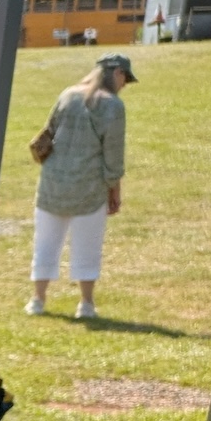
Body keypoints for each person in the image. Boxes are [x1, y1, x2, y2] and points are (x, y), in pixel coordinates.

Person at [30, 53, 133, 321]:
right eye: (125, 79)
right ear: (118, 74)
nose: (124, 85)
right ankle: (85, 304)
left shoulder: (68, 95)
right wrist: (115, 191)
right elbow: (113, 155)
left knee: (45, 243)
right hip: (89, 186)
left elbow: (48, 132)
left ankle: (37, 300)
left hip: (53, 182)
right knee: (87, 246)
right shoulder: (113, 106)